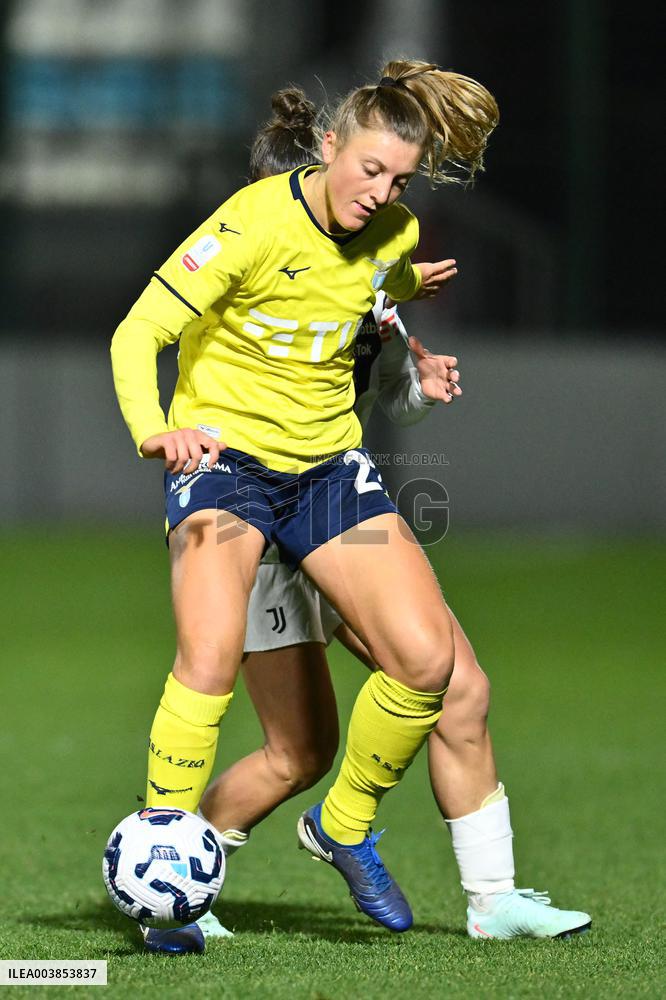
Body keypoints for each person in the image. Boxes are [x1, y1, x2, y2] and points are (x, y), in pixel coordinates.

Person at [111, 60, 583, 953]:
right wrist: (154, 429)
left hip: (328, 471)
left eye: (399, 180)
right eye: (369, 169)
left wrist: (414, 344)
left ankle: (358, 831)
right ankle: (162, 875)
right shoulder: (250, 224)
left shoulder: (393, 234)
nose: (381, 192)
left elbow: (373, 295)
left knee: (432, 663)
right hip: (227, 468)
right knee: (214, 668)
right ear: (330, 145)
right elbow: (140, 331)